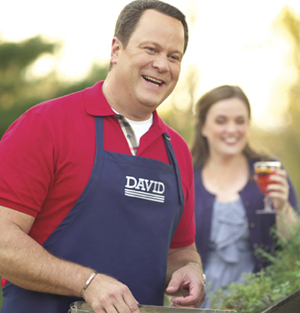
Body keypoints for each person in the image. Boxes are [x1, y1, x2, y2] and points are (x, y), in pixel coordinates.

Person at [0, 1, 206, 312]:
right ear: (115, 50)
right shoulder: (46, 124)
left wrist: (190, 269)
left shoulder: (176, 150)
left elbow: (180, 249)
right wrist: (87, 282)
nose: (162, 64)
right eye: (150, 49)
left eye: (173, 56)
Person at [190, 85, 299, 308]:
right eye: (221, 121)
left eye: (240, 121)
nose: (232, 129)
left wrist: (283, 207)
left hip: (261, 302)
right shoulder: (186, 176)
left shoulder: (269, 171)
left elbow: (294, 246)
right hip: (199, 305)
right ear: (203, 127)